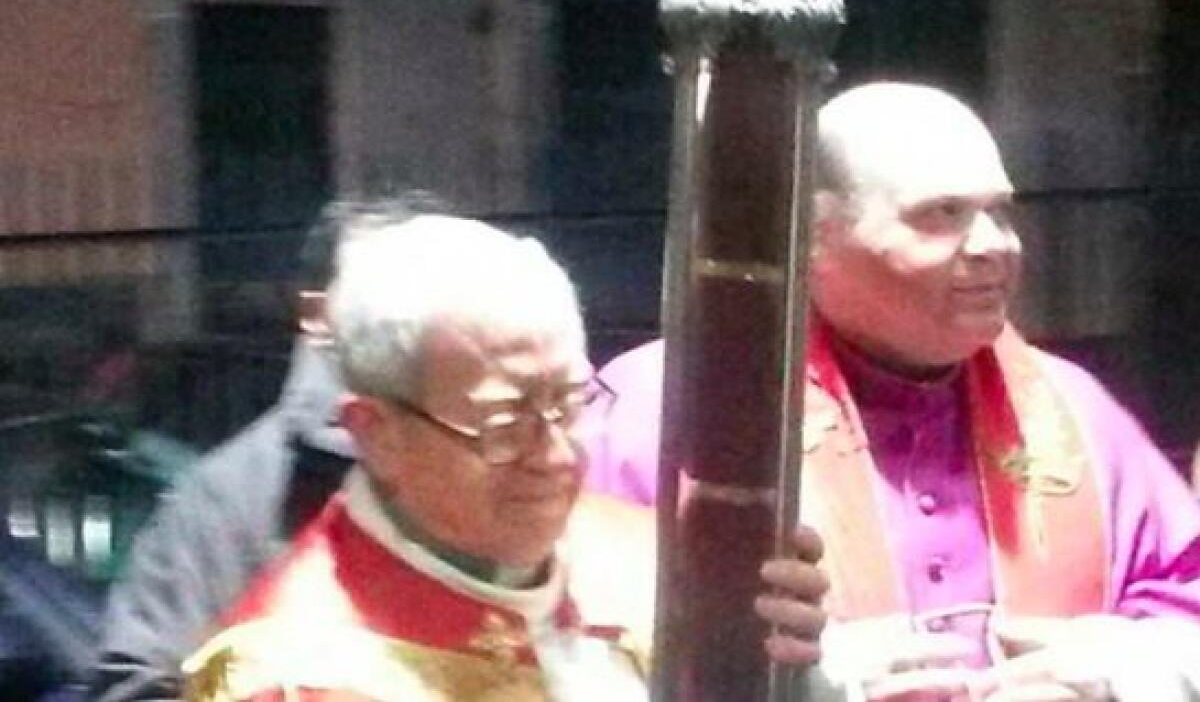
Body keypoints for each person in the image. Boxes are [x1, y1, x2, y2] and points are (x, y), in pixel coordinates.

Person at [579, 81, 1200, 701]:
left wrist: (1123, 668)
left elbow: (1182, 592)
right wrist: (797, 681)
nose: (993, 246)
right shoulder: (673, 407)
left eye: (1000, 213)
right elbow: (573, 632)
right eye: (941, 215)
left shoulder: (1075, 410)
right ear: (814, 238)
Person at [179, 214, 828, 700]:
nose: (552, 454)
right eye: (504, 423)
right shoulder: (290, 670)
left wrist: (790, 675)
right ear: (377, 433)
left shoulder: (656, 563)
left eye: (569, 402)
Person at [92, 194, 445, 702]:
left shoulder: (515, 457)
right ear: (315, 313)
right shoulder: (224, 501)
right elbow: (143, 683)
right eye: (383, 296)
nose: (412, 321)